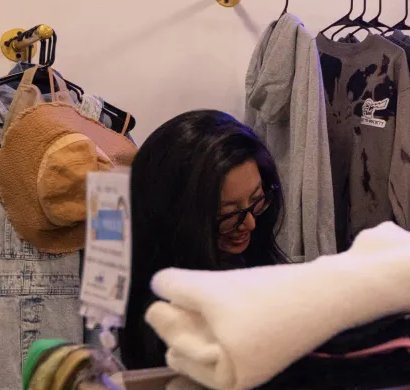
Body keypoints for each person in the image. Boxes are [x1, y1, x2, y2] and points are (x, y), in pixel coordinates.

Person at [120, 110, 288, 370]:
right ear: (175, 216)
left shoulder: (252, 264)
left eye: (256, 200)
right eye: (228, 214)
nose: (251, 223)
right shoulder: (160, 316)